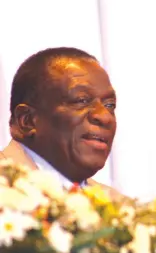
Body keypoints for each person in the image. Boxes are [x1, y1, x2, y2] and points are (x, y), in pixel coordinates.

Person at [0, 47, 119, 198]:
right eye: (81, 100)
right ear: (27, 120)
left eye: (110, 105)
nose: (105, 117)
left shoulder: (120, 206)